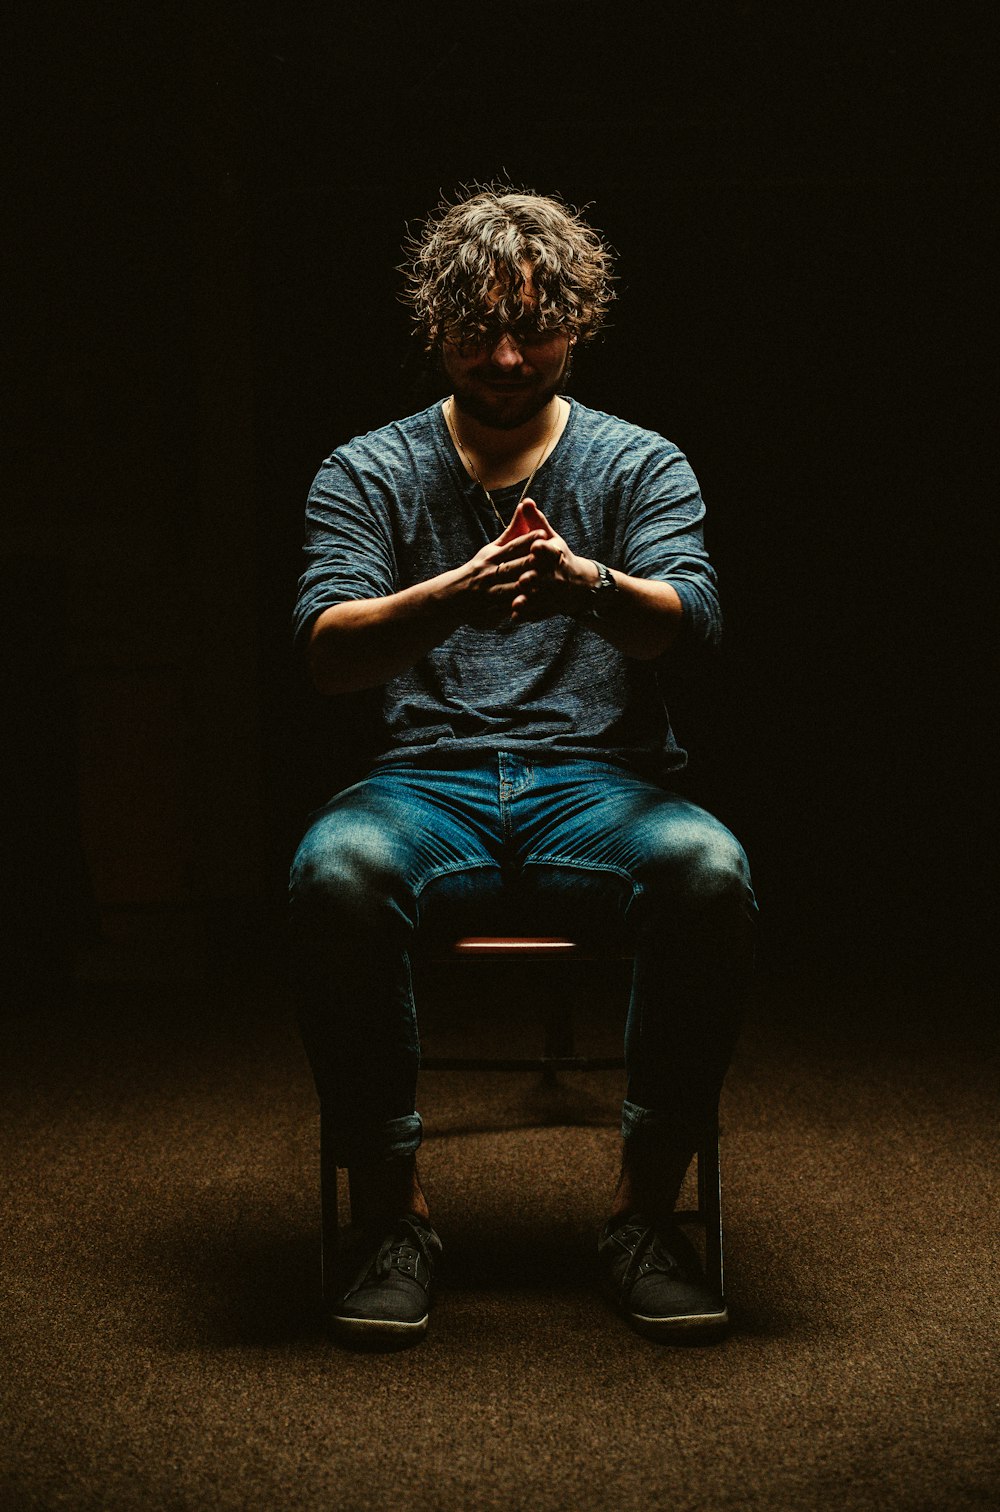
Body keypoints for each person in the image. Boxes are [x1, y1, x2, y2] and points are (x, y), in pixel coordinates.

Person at [289, 186, 757, 1348]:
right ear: (434, 327)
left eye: (531, 325)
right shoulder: (369, 468)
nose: (502, 354)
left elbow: (686, 626)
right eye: (474, 327)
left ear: (575, 323)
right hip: (424, 786)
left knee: (709, 868)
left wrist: (584, 583)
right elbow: (325, 653)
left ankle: (646, 1216)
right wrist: (446, 597)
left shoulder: (639, 463)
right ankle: (392, 1217)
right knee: (334, 872)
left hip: (600, 785)